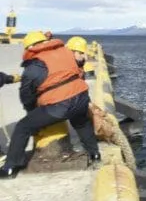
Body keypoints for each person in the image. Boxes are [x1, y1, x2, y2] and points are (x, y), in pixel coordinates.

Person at [0, 31, 100, 179]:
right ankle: (95, 155)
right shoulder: (66, 52)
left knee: (23, 127)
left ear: (30, 47)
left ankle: (10, 168)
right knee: (81, 123)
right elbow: (78, 72)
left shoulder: (34, 66)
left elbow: (27, 96)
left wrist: (33, 112)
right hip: (81, 97)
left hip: (59, 106)